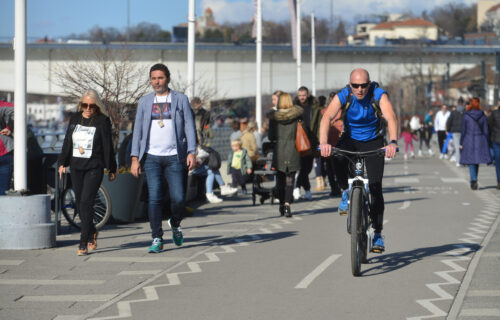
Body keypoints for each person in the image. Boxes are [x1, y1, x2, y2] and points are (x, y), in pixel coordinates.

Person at [319, 68, 398, 253]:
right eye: (356, 86)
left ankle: (378, 234)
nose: (360, 89)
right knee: (336, 156)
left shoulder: (378, 95)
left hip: (373, 141)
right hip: (350, 139)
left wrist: (393, 142)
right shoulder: (344, 95)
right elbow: (326, 117)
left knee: (376, 187)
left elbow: (391, 117)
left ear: (369, 84)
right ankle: (346, 191)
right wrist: (323, 143)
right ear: (350, 85)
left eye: (363, 85)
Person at [130, 63, 197, 253]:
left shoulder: (180, 99)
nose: (156, 82)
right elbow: (138, 131)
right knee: (155, 198)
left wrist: (192, 151)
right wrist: (135, 158)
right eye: (153, 78)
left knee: (178, 198)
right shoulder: (144, 102)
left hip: (175, 156)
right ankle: (157, 238)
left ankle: (175, 223)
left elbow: (189, 126)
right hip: (151, 157)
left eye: (159, 78)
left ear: (167, 78)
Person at [58, 89, 117, 255]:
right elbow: (68, 141)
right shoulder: (75, 118)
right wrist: (62, 162)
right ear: (81, 104)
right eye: (85, 105)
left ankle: (83, 241)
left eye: (92, 105)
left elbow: (107, 145)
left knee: (86, 202)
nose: (88, 108)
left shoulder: (102, 121)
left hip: (94, 166)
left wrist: (112, 167)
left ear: (97, 106)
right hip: (76, 167)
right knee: (80, 203)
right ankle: (92, 231)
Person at [267, 92, 302, 217]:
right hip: (293, 150)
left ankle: (281, 204)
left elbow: (270, 136)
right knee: (290, 180)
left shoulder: (274, 118)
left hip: (279, 151)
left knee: (280, 180)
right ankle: (287, 205)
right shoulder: (296, 116)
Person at [293, 86, 322, 201]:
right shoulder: (294, 107)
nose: (301, 98)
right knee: (300, 167)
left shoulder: (315, 108)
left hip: (312, 141)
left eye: (303, 95)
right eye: (299, 95)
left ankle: (301, 189)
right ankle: (302, 190)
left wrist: (320, 141)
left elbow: (319, 125)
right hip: (298, 141)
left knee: (307, 168)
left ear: (308, 95)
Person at [459, 97, 492, 190]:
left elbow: (463, 130)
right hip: (480, 139)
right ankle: (474, 179)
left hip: (469, 139)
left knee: (471, 161)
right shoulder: (483, 116)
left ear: (471, 104)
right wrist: (488, 142)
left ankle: (473, 180)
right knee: (476, 160)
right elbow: (486, 130)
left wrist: (461, 142)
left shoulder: (466, 116)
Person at [0, 101, 14, 195]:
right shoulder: (2, 106)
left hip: (4, 150)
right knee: (3, 189)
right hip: (4, 150)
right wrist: (10, 127)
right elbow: (17, 109)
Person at [488, 101, 500, 189]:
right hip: (496, 140)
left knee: (498, 163)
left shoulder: (494, 113)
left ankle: (499, 182)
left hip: (496, 140)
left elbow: (489, 126)